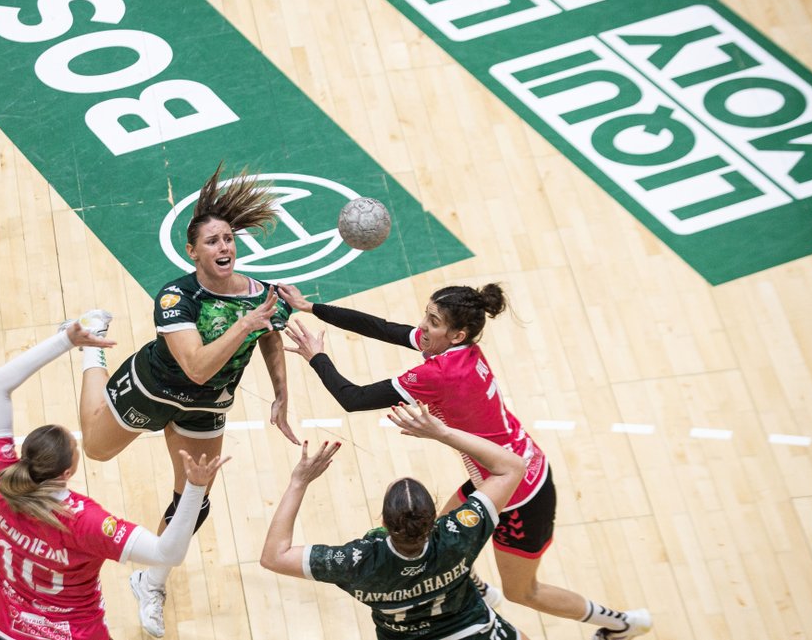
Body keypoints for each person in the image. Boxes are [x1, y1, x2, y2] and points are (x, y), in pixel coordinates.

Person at [276, 283, 652, 640]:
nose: (422, 327)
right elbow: (385, 328)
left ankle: (622, 624)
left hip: (520, 495)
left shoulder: (439, 374)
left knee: (524, 591)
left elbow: (353, 399)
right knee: (430, 537)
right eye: (426, 315)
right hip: (500, 470)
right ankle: (472, 585)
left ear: (457, 334)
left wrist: (315, 355)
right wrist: (313, 308)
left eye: (433, 322)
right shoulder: (457, 350)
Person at [69, 164, 297, 637]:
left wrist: (281, 393)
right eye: (213, 241)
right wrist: (244, 325)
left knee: (196, 500)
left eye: (229, 239)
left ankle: (150, 581)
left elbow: (271, 336)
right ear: (193, 252)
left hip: (206, 406)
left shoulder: (259, 296)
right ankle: (93, 352)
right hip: (156, 387)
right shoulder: (176, 297)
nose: (224, 247)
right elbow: (195, 366)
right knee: (95, 448)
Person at [0, 316, 231, 640]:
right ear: (68, 472)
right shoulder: (84, 523)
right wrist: (195, 487)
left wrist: (65, 341)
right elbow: (168, 553)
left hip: (8, 629)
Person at [260, 402, 531, 640]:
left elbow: (274, 556)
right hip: (472, 629)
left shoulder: (358, 560)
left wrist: (299, 483)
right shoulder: (456, 534)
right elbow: (511, 467)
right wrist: (443, 432)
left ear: (384, 524)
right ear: (433, 520)